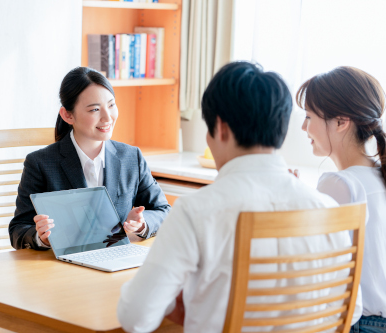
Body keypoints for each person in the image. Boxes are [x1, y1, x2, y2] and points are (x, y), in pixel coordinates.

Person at [117, 61, 362, 332]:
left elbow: (135, 318)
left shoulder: (196, 211)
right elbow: (352, 311)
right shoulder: (328, 209)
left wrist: (182, 303)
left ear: (220, 128)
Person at [9, 67, 171, 250]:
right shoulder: (40, 163)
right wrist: (42, 238)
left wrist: (141, 224)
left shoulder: (131, 157)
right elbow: (18, 230)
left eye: (111, 105)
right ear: (67, 115)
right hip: (64, 269)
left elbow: (163, 211)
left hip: (116, 261)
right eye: (95, 109)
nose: (107, 117)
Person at [296, 66, 386, 332]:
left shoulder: (339, 184)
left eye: (309, 116)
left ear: (340, 122)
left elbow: (311, 265)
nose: (303, 127)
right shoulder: (377, 176)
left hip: (360, 324)